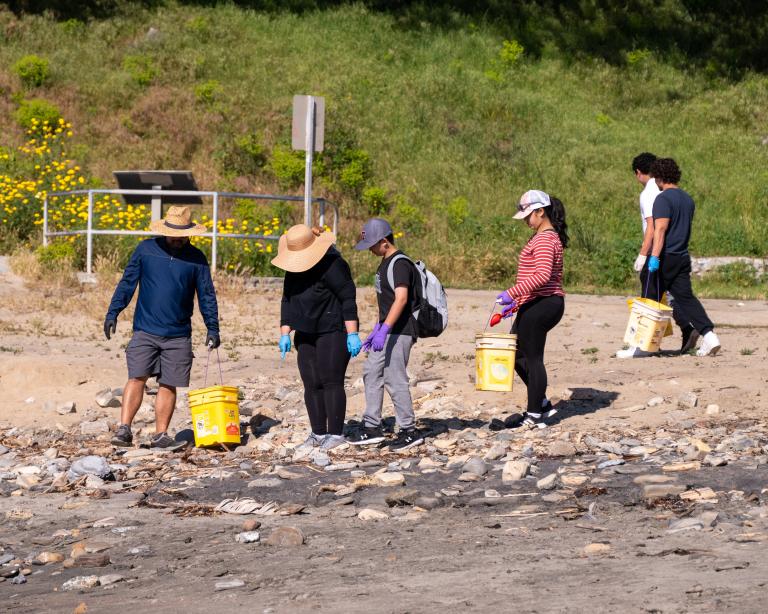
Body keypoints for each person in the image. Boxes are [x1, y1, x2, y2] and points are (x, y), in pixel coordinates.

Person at [105, 205, 220, 448]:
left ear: (189, 233)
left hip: (178, 334)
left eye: (181, 234)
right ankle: (124, 429)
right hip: (145, 330)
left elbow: (206, 294)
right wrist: (113, 311)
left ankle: (161, 434)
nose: (176, 238)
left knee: (169, 383)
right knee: (136, 377)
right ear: (165, 230)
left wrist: (213, 327)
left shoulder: (197, 259)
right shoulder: (146, 250)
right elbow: (128, 283)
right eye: (172, 233)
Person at [272, 224, 361, 451]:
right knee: (311, 382)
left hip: (332, 329)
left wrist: (352, 333)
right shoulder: (293, 269)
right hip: (305, 332)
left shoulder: (334, 265)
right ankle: (318, 433)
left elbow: (348, 299)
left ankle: (336, 433)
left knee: (331, 381)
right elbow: (287, 300)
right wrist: (285, 332)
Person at [351, 218, 424, 451]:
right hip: (387, 329)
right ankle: (372, 426)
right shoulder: (384, 263)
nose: (370, 250)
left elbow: (402, 298)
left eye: (372, 245)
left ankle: (409, 430)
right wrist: (377, 329)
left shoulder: (400, 263)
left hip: (400, 331)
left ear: (384, 242)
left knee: (394, 378)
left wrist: (385, 329)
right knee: (371, 371)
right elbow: (387, 302)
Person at [496, 190, 567, 429]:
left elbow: (543, 275)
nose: (526, 220)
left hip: (544, 304)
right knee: (515, 356)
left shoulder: (546, 239)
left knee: (533, 359)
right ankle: (542, 403)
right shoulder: (541, 236)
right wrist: (516, 303)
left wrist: (512, 292)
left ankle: (534, 414)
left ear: (541, 211)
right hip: (534, 302)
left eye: (528, 215)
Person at [647, 158, 721, 357]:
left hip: (665, 257)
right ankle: (709, 335)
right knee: (686, 298)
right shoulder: (687, 199)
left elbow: (660, 230)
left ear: (661, 177)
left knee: (651, 299)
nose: (654, 182)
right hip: (682, 256)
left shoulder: (662, 199)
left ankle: (644, 344)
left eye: (655, 178)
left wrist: (654, 258)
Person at [617, 152, 663, 358]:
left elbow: (652, 225)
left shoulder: (647, 193)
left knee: (648, 295)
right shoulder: (663, 187)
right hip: (669, 249)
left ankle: (643, 345)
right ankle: (693, 330)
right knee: (669, 295)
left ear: (638, 173)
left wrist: (643, 254)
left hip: (654, 250)